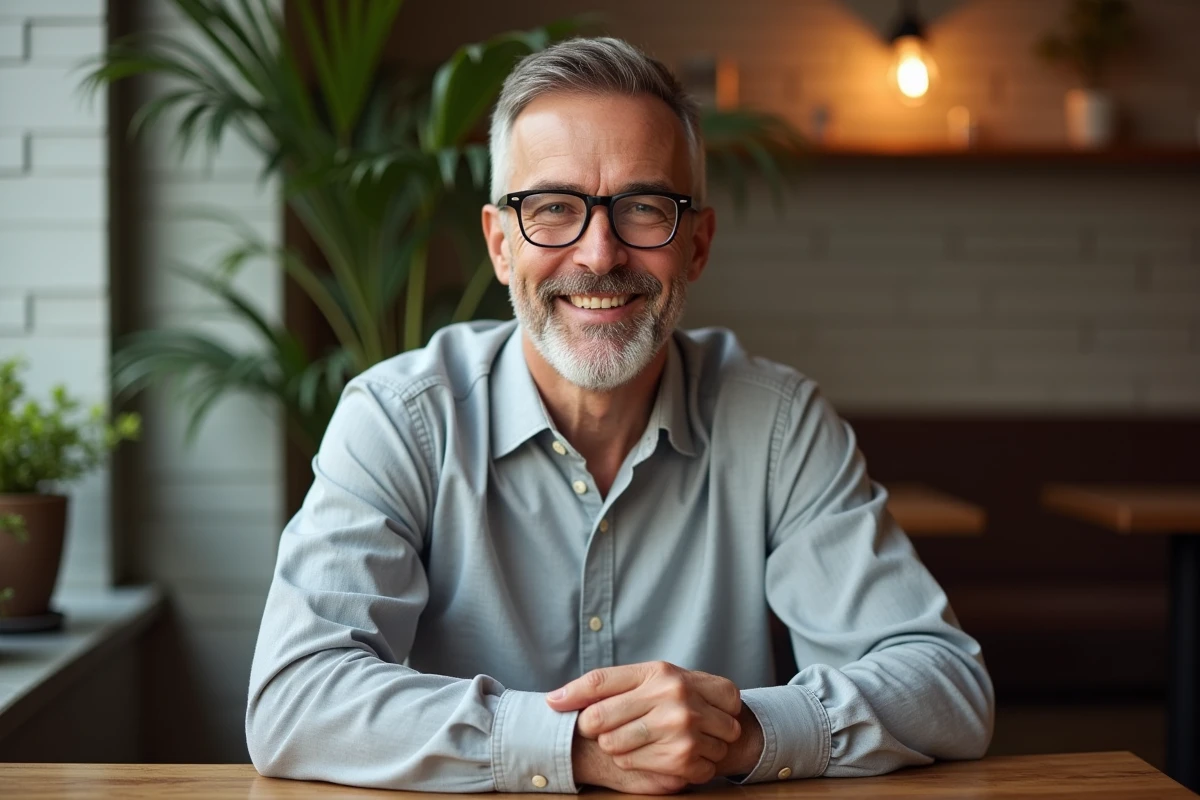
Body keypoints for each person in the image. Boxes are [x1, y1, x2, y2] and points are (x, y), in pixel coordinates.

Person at [246, 36, 994, 795]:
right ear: (501, 245)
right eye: (553, 208)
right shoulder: (398, 419)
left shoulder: (777, 424)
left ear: (696, 245)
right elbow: (295, 699)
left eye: (642, 208)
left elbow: (946, 687)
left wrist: (737, 733)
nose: (599, 254)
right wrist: (569, 745)